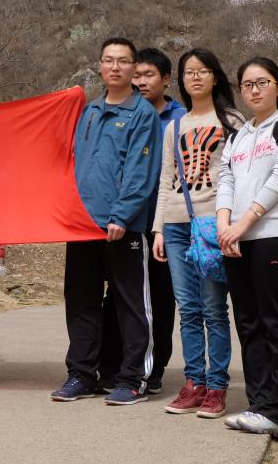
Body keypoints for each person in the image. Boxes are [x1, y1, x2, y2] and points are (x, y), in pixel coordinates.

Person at [51, 38, 162, 406]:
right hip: (82, 225)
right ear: (100, 66)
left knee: (130, 304)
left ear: (134, 68)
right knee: (80, 301)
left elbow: (141, 171)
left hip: (121, 227)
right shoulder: (90, 111)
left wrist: (121, 215)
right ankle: (81, 374)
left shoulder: (142, 114)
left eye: (123, 61)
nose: (115, 67)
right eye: (109, 60)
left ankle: (133, 379)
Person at [217, 57, 278, 439]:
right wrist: (224, 225)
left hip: (273, 234)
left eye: (262, 82)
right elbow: (225, 178)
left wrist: (243, 223)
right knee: (248, 322)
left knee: (274, 321)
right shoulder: (237, 135)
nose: (254, 90)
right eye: (247, 84)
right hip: (236, 238)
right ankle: (258, 404)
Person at [152, 48, 244, 419]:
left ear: (215, 76)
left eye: (203, 70)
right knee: (188, 309)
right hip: (176, 224)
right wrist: (158, 229)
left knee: (213, 308)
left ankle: (217, 387)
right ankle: (194, 383)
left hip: (212, 224)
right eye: (189, 72)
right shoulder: (174, 126)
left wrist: (232, 224)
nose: (195, 77)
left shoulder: (232, 120)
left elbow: (239, 175)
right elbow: (166, 180)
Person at [98, 48, 184, 394]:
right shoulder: (121, 112)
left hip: (162, 223)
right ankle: (112, 365)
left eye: (149, 75)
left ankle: (154, 367)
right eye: (138, 75)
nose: (141, 82)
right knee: (117, 296)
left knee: (159, 296)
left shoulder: (179, 119)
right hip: (126, 220)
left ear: (166, 79)